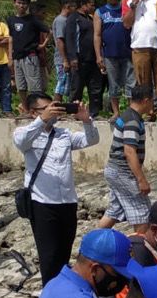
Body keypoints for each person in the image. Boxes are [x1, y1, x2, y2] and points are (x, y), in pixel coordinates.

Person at [13, 93, 99, 283]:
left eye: (53, 106)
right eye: (46, 108)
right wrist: (42, 119)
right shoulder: (25, 133)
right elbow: (21, 142)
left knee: (64, 252)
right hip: (42, 203)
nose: (52, 111)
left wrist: (86, 120)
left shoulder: (64, 134)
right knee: (49, 255)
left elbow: (91, 140)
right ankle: (50, 294)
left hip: (67, 201)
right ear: (33, 112)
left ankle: (60, 291)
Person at [97, 85, 154, 233]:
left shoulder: (128, 116)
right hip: (122, 172)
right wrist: (141, 179)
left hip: (114, 170)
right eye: (152, 101)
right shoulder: (132, 121)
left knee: (114, 211)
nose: (153, 105)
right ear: (146, 101)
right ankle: (140, 249)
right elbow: (129, 151)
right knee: (142, 212)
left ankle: (91, 244)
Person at [123, 0, 157, 122]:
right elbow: (126, 24)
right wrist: (134, 5)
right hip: (139, 46)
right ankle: (148, 112)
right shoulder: (127, 2)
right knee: (143, 82)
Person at [94, 0, 135, 118]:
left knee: (131, 83)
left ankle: (131, 112)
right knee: (113, 84)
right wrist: (98, 56)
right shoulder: (100, 12)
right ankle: (116, 113)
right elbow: (97, 35)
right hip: (109, 54)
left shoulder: (125, 9)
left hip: (128, 53)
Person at [68, 0, 105, 117]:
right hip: (80, 59)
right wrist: (72, 57)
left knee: (95, 86)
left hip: (93, 58)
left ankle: (94, 112)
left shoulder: (90, 18)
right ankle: (74, 112)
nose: (93, 7)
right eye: (91, 4)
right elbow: (70, 38)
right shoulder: (74, 18)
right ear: (83, 5)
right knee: (77, 87)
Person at [7, 0, 49, 95]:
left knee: (34, 86)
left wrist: (43, 45)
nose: (21, 5)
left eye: (24, 3)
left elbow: (49, 31)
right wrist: (10, 57)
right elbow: (11, 38)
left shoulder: (32, 19)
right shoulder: (10, 20)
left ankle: (36, 108)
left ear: (27, 5)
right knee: (21, 87)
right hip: (17, 57)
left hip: (30, 56)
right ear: (14, 3)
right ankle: (25, 109)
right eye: (19, 3)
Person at [51, 0, 75, 102]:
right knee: (61, 83)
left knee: (65, 84)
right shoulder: (61, 20)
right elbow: (60, 40)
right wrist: (65, 60)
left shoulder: (67, 20)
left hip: (67, 58)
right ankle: (56, 107)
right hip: (62, 59)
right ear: (67, 6)